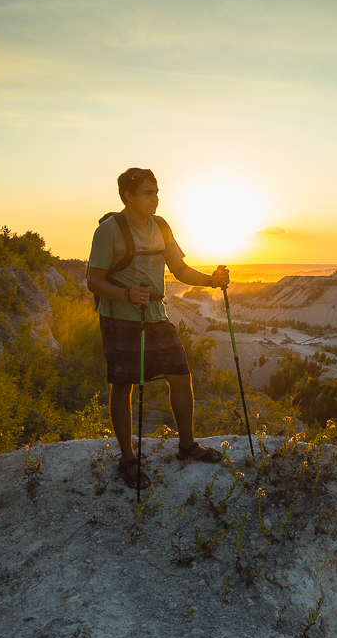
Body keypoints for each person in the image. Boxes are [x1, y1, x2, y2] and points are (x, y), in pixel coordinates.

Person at [86, 167, 231, 488]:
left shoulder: (161, 226)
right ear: (128, 196)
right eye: (148, 192)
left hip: (155, 316)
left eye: (157, 191)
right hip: (120, 319)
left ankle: (187, 444)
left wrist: (211, 280)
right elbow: (93, 280)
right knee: (122, 385)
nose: (156, 198)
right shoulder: (109, 231)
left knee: (181, 376)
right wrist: (125, 294)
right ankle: (127, 458)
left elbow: (179, 269)